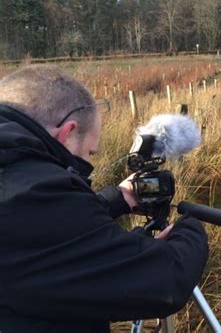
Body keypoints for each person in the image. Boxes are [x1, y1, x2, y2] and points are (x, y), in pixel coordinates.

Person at [0, 65, 209, 333]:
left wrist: (116, 199)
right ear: (66, 132)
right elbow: (167, 280)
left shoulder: (15, 174)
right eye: (90, 153)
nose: (88, 164)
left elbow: (44, 232)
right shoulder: (30, 193)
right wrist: (190, 227)